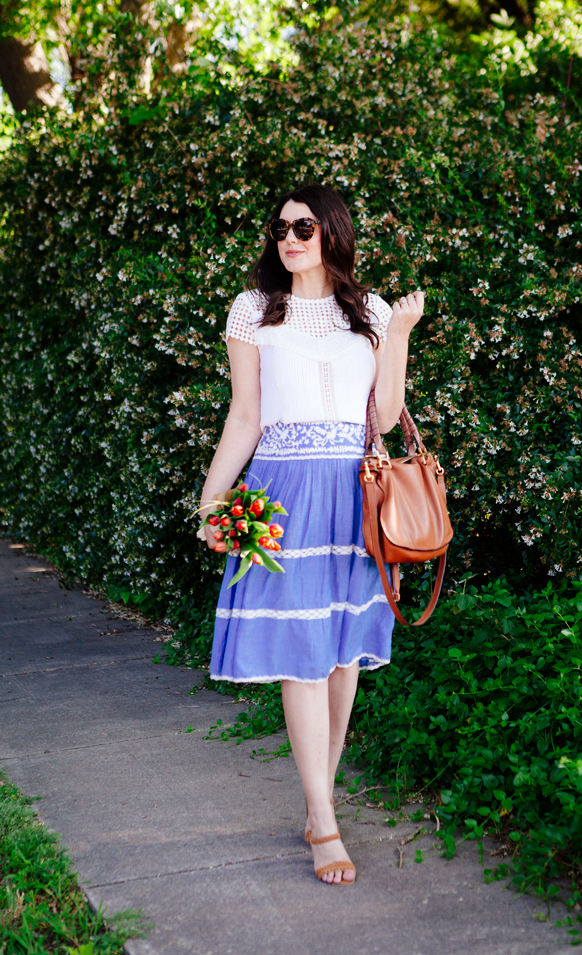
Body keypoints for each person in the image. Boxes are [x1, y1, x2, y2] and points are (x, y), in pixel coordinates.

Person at [199, 183, 423, 885]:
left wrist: (403, 338)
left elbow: (383, 418)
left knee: (342, 653)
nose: (288, 238)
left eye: (302, 226)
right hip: (286, 493)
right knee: (301, 650)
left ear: (332, 231)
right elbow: (245, 416)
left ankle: (317, 798)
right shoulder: (252, 311)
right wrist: (213, 499)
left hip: (353, 497)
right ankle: (324, 821)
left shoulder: (372, 311)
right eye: (279, 228)